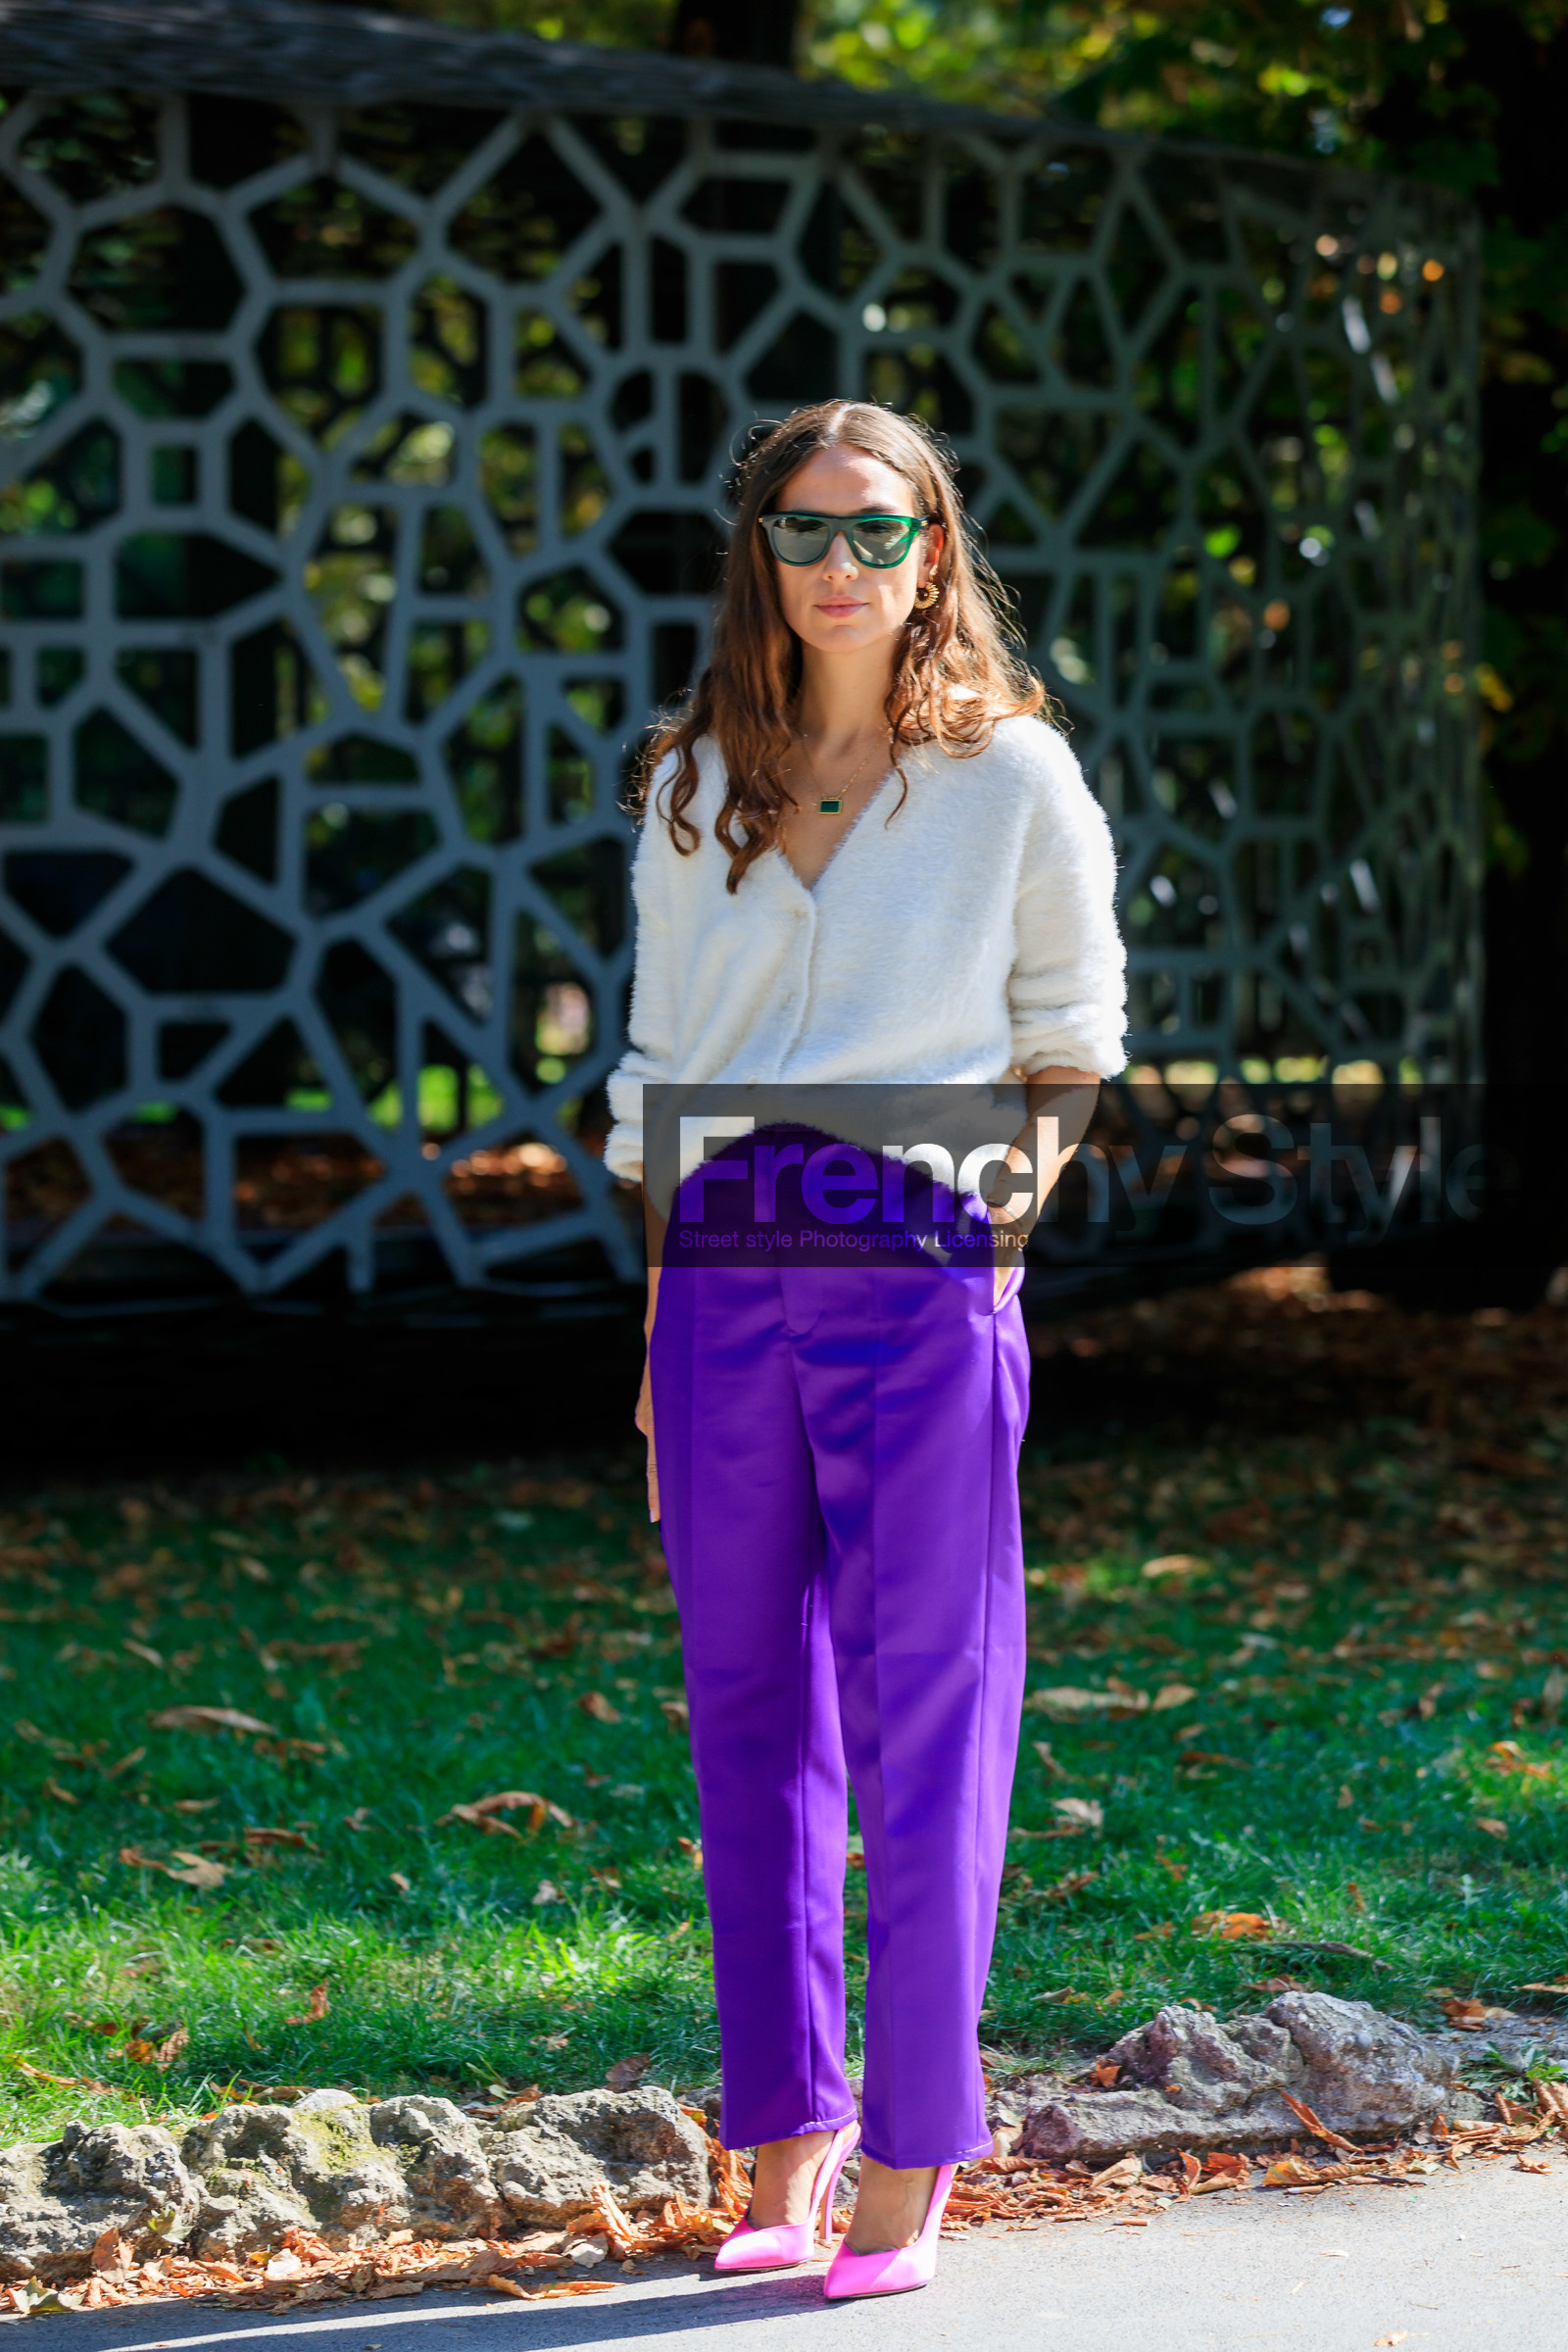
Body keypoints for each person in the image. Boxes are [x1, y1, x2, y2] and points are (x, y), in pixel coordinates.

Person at [604, 399, 1125, 2299]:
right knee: (747, 1709)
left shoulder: (1008, 782)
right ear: (758, 552)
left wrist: (1006, 1215)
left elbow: (1068, 1039)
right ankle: (782, 2133)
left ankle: (912, 2148)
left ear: (933, 552)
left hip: (920, 1251)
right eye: (805, 532)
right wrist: (662, 1338)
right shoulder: (686, 785)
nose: (843, 568)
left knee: (928, 1709)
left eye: (879, 534)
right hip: (726, 1258)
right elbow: (656, 1081)